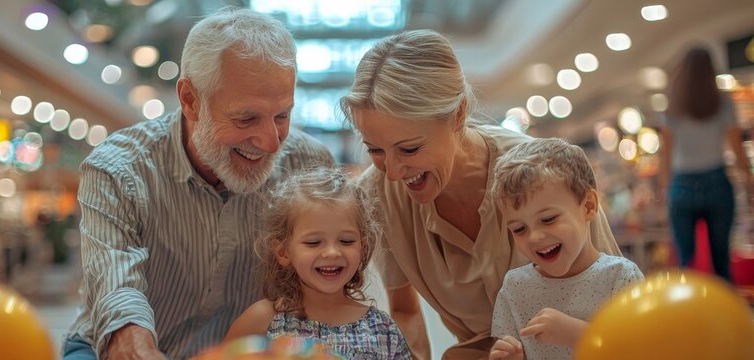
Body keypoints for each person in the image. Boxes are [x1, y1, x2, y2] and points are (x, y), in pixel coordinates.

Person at [61, 7, 334, 360]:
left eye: (282, 115)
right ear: (190, 100)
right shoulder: (116, 169)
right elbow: (118, 293)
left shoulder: (309, 166)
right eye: (246, 117)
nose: (270, 141)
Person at [339, 29, 624, 359]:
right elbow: (404, 310)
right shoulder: (378, 193)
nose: (391, 170)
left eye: (410, 149)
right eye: (374, 149)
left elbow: (617, 304)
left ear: (458, 114)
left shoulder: (546, 170)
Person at [223, 168, 412, 359]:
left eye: (346, 241)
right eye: (313, 242)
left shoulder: (381, 330)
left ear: (362, 249)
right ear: (283, 252)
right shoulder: (260, 322)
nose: (332, 252)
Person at [487, 138, 644, 360]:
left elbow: (645, 350)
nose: (534, 237)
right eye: (519, 229)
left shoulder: (621, 277)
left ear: (588, 206)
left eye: (548, 219)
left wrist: (580, 334)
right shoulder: (515, 288)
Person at [661, 46, 753, 282]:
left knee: (686, 263)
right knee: (722, 261)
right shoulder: (722, 102)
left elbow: (666, 155)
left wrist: (664, 191)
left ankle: (689, 317)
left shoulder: (673, 105)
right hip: (717, 181)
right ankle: (728, 318)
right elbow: (736, 146)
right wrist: (748, 181)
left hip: (682, 185)